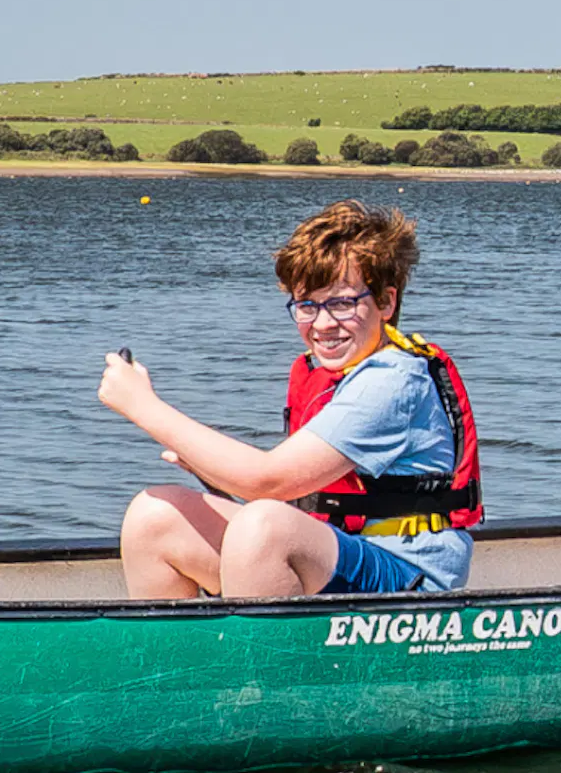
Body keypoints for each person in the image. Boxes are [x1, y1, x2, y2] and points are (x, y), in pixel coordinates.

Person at [96, 200, 480, 601]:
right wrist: (211, 470)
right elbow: (297, 493)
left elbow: (268, 481)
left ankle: (264, 663)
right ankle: (181, 662)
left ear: (386, 302)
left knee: (265, 527)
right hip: (336, 549)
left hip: (409, 576)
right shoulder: (331, 376)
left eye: (343, 302)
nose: (324, 323)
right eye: (307, 305)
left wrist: (141, 405)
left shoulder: (394, 380)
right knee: (154, 516)